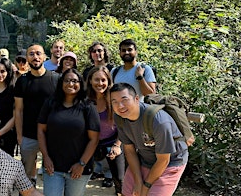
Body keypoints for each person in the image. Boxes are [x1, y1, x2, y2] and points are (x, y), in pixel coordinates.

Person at [110, 83, 188, 196]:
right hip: (145, 158)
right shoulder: (120, 118)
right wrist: (138, 181)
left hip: (171, 161)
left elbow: (163, 160)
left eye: (124, 100)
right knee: (128, 193)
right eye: (114, 102)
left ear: (136, 99)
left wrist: (146, 186)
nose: (120, 106)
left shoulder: (159, 121)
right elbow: (130, 151)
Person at [38, 68, 100, 196]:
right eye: (66, 81)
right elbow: (41, 130)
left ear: (80, 83)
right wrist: (46, 157)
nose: (70, 84)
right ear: (61, 83)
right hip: (53, 167)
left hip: (79, 168)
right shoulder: (50, 103)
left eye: (74, 81)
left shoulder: (88, 106)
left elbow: (94, 139)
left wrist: (82, 163)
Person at [14, 44, 59, 185]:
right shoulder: (22, 81)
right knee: (25, 177)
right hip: (28, 135)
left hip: (52, 136)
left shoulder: (56, 79)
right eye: (31, 54)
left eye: (38, 53)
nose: (35, 57)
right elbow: (18, 110)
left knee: (52, 174)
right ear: (27, 58)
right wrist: (19, 136)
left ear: (44, 56)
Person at [86, 66, 125, 195]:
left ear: (108, 81)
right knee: (80, 173)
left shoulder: (114, 99)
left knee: (120, 178)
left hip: (112, 141)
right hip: (91, 142)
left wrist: (117, 145)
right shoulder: (85, 100)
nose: (100, 83)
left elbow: (123, 124)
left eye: (103, 80)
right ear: (90, 80)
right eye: (96, 80)